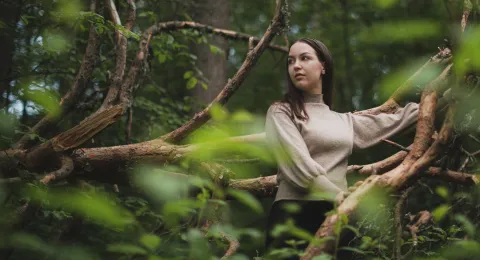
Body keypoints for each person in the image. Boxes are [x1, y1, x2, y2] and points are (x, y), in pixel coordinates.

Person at [264, 38, 419, 259]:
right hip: (293, 214)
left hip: (337, 213)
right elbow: (297, 164)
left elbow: (398, 120)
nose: (296, 65)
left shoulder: (344, 121)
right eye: (291, 61)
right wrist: (338, 195)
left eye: (304, 58)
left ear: (323, 66)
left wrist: (445, 97)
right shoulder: (281, 112)